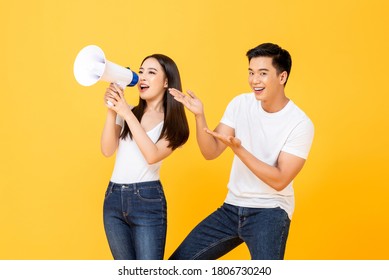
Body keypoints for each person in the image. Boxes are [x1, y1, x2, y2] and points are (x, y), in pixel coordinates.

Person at [168, 43, 314, 260]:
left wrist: (240, 150)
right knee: (177, 265)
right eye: (251, 72)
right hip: (231, 208)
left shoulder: (300, 123)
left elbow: (280, 180)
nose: (254, 80)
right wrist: (200, 116)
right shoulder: (240, 104)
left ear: (282, 77)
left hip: (270, 212)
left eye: (263, 73)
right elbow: (211, 151)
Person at [101, 54, 189, 260]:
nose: (143, 78)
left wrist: (126, 113)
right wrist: (112, 111)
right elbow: (107, 150)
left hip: (147, 200)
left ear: (166, 81)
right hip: (113, 198)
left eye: (151, 72)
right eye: (141, 72)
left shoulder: (174, 124)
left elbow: (152, 155)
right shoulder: (127, 112)